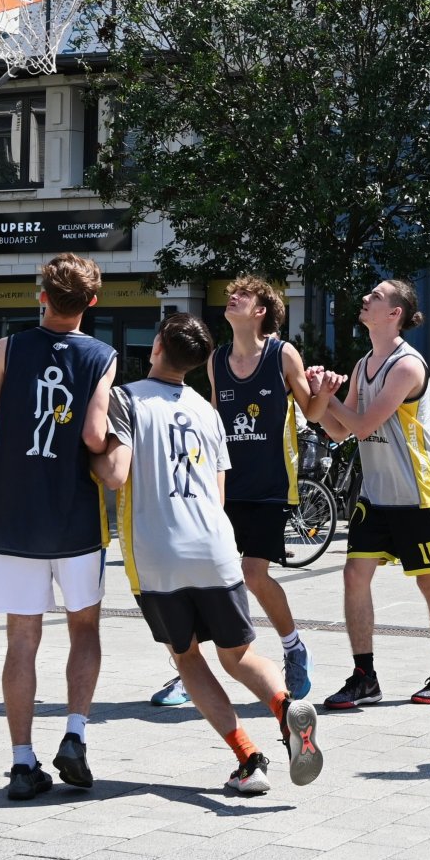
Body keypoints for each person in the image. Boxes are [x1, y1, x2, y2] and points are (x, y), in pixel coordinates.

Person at [91, 313, 321, 796]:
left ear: (156, 347)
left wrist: (86, 452)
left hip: (159, 553)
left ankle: (248, 758)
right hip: (216, 545)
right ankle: (284, 705)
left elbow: (114, 473)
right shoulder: (207, 411)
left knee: (188, 657)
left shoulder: (126, 398)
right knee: (238, 655)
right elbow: (218, 494)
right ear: (196, 365)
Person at [0, 253, 118, 802]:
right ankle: (75, 735)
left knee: (22, 639)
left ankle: (19, 762)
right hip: (75, 516)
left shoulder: (6, 349)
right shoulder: (101, 356)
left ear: (41, 295)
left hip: (16, 512)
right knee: (84, 628)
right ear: (91, 302)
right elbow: (92, 433)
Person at [307, 280, 430, 710]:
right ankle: (364, 677)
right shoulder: (364, 364)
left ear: (394, 313)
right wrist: (320, 399)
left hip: (418, 492)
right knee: (354, 576)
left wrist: (327, 396)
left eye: (375, 296)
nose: (365, 298)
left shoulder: (406, 366)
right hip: (376, 494)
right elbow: (339, 430)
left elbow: (362, 425)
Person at [203, 275, 323, 702]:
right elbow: (214, 424)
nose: (232, 296)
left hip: (271, 485)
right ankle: (189, 669)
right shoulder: (216, 360)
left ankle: (293, 647)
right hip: (224, 485)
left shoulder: (282, 354)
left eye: (244, 295)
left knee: (254, 575)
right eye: (231, 292)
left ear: (260, 312)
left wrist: (324, 389)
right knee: (207, 575)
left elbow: (311, 408)